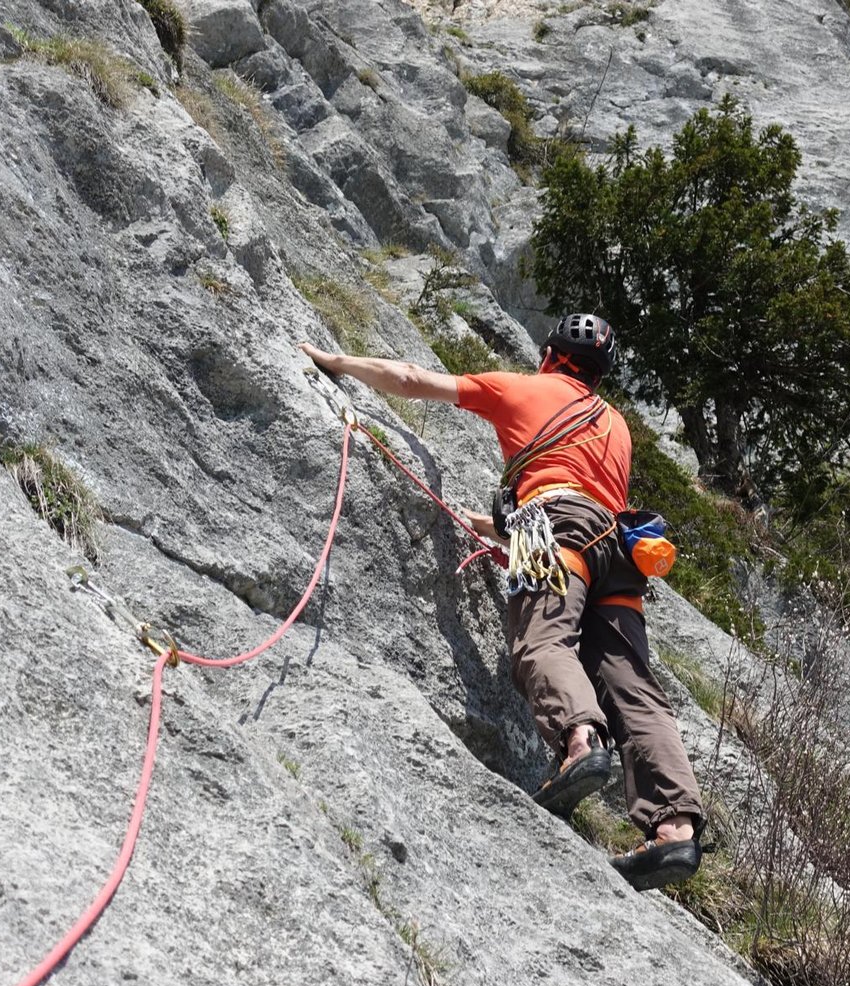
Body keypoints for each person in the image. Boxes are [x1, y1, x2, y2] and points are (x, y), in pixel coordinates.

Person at [298, 314, 704, 889]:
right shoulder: (615, 424)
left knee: (544, 640)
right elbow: (585, 494)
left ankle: (580, 743)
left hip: (557, 530)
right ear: (596, 373)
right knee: (632, 686)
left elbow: (411, 379)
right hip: (618, 554)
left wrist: (333, 361)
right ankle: (676, 830)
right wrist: (495, 526)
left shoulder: (522, 388)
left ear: (549, 355)